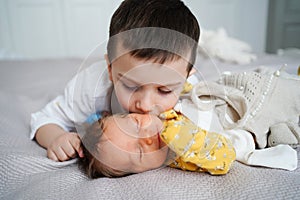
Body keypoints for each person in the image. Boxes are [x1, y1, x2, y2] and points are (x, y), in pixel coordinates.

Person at [30, 0, 200, 161]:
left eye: (164, 90)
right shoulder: (91, 88)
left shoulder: (193, 95)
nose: (146, 105)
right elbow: (45, 119)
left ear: (187, 77)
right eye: (131, 86)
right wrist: (57, 137)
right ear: (110, 69)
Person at [78, 110, 236, 178]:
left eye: (138, 124)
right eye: (140, 152)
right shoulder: (180, 158)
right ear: (139, 172)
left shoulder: (161, 106)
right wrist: (182, 139)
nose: (147, 138)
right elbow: (225, 157)